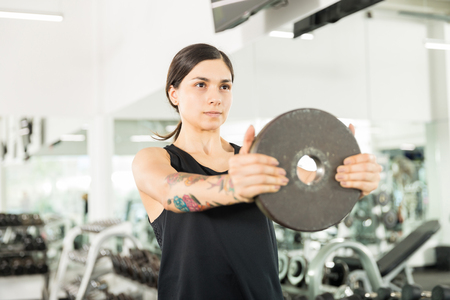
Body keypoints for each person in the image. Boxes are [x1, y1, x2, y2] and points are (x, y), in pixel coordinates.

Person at [132, 43, 382, 300]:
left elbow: (319, 191)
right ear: (174, 94)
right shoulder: (154, 159)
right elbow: (172, 191)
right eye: (200, 84)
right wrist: (236, 186)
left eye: (224, 86)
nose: (215, 97)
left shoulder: (256, 159)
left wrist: (354, 180)